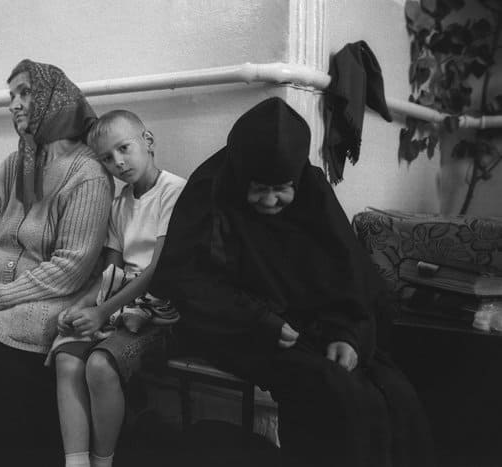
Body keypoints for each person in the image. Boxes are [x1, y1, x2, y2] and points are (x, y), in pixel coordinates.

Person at [150, 97, 434, 467]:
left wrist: (347, 333)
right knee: (333, 392)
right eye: (258, 188)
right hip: (236, 327)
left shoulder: (312, 187)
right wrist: (260, 321)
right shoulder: (210, 189)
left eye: (282, 187)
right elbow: (187, 281)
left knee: (393, 392)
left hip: (308, 322)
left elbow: (347, 271)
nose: (270, 200)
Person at [0, 60, 112, 465]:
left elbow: (69, 270)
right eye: (11, 95)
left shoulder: (87, 174)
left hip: (54, 302)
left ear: (54, 99)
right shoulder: (13, 165)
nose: (14, 104)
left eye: (25, 93)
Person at [51, 110, 185, 467]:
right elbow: (112, 270)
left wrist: (101, 312)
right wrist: (83, 306)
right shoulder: (120, 203)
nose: (118, 162)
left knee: (99, 365)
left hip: (161, 310)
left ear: (148, 141)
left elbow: (157, 271)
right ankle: (75, 462)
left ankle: (102, 461)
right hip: (119, 304)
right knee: (67, 355)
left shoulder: (174, 192)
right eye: (107, 159)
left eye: (124, 148)